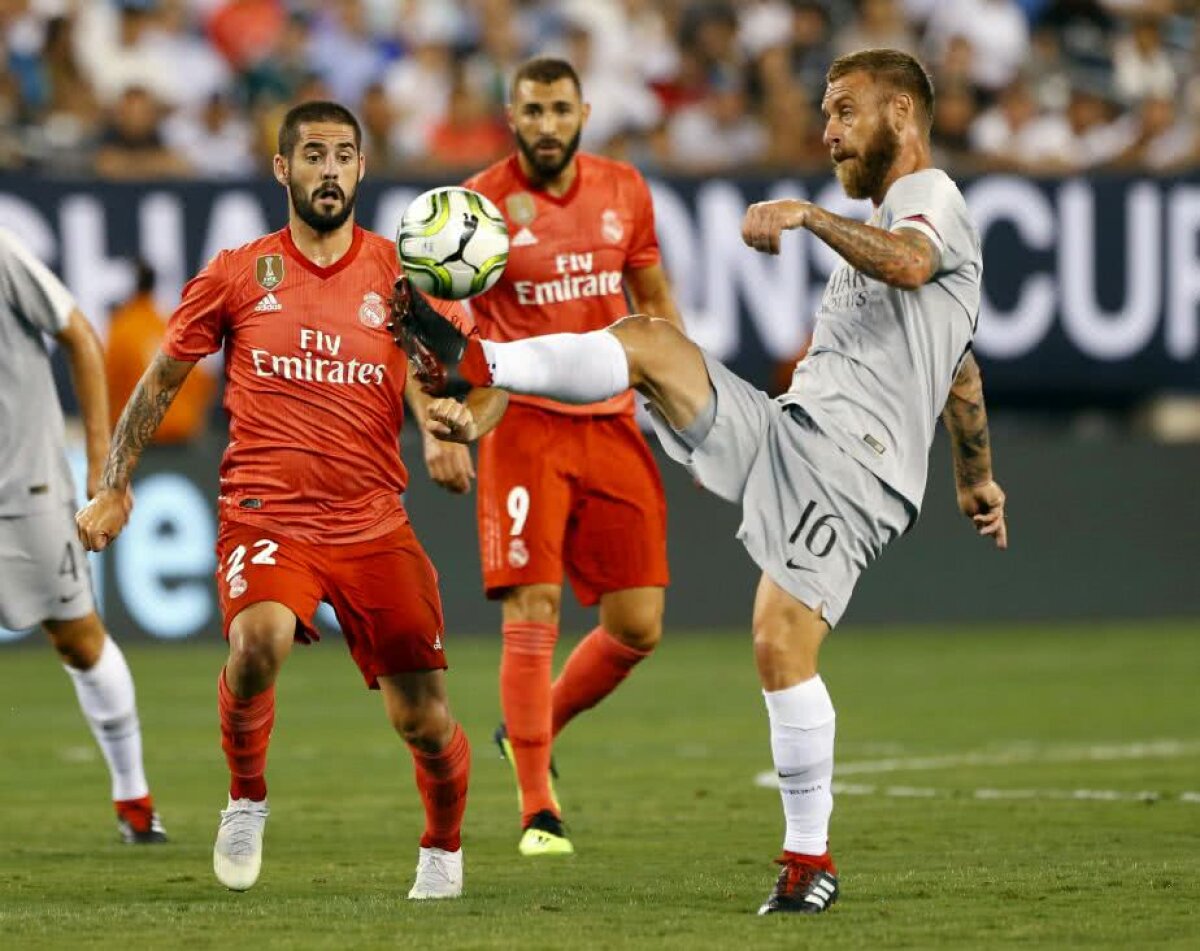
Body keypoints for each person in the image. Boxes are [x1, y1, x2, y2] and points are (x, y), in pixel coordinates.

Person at [392, 49, 1008, 914]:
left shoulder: (930, 200)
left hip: (856, 470)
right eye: (827, 113)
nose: (826, 130)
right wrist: (976, 477)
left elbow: (907, 264)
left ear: (901, 114)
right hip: (794, 432)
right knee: (648, 341)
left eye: (843, 111)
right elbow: (961, 371)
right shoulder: (902, 230)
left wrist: (806, 215)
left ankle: (808, 863)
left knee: (777, 643)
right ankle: (480, 358)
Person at [76, 100, 508, 898]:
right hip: (265, 512)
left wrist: (453, 429)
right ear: (283, 170)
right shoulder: (239, 272)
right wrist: (111, 486)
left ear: (363, 168)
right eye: (313, 155)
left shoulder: (401, 278)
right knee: (257, 643)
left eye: (345, 155)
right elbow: (162, 378)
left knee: (424, 717)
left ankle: (443, 849)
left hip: (373, 518)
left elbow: (477, 383)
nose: (331, 170)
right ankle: (245, 797)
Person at [417, 56, 684, 857]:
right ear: (511, 114)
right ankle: (540, 810)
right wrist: (439, 426)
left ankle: (529, 728)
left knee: (637, 626)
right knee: (533, 611)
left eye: (559, 109)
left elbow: (655, 302)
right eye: (531, 110)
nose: (545, 124)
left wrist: (682, 388)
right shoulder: (478, 208)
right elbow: (429, 330)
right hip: (522, 422)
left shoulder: (624, 191)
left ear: (584, 112)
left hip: (611, 420)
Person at [0, 227, 167, 845]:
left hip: (25, 491)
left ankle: (134, 797)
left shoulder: (1, 251)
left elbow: (79, 336)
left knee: (78, 640)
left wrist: (105, 473)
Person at [105, 259, 215, 444]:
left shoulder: (121, 329)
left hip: (138, 442)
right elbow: (203, 380)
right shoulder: (171, 324)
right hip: (181, 436)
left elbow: (106, 383)